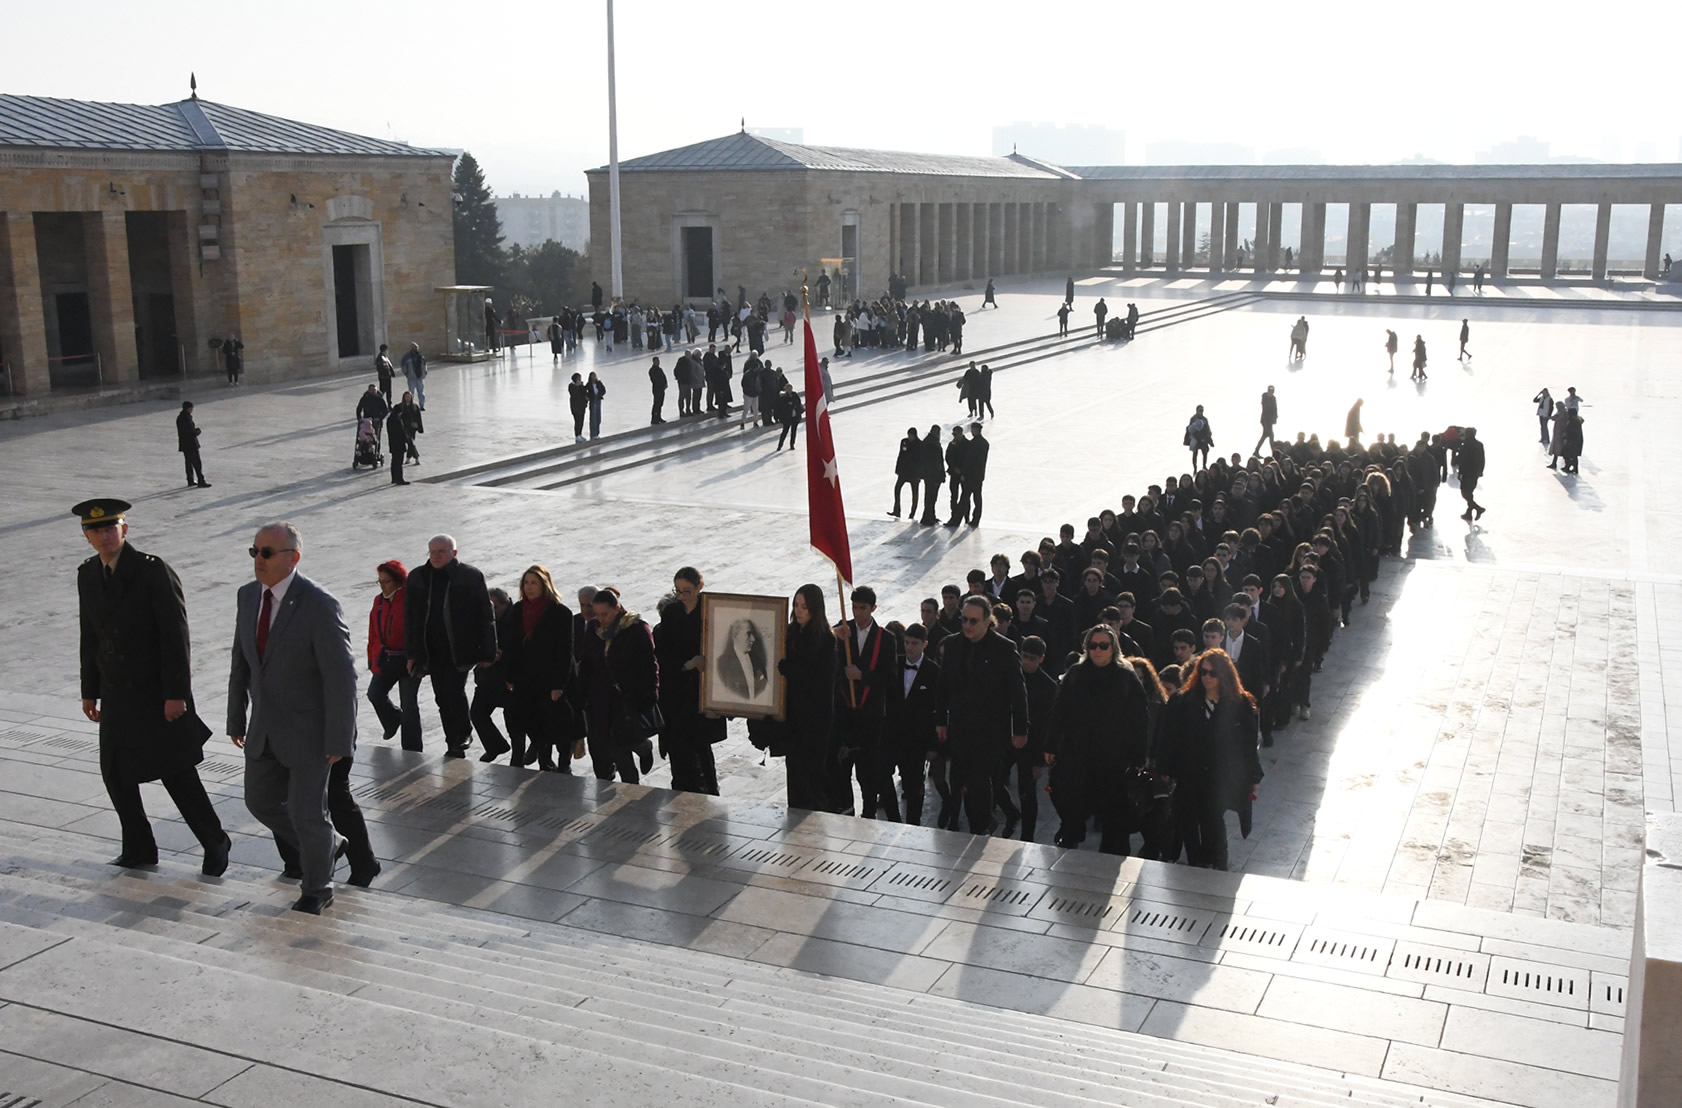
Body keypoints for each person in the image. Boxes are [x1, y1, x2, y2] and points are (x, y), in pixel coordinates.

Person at [74, 498, 228, 876]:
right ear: (87, 536)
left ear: (125, 530)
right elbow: (90, 636)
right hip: (115, 692)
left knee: (176, 772)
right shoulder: (88, 574)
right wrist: (89, 689)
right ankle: (139, 846)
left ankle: (214, 840)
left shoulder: (151, 571)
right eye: (97, 530)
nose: (105, 535)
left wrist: (176, 694)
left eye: (112, 527)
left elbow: (176, 636)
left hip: (154, 692)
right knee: (115, 772)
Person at [227, 520, 362, 912]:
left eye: (267, 553)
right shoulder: (247, 596)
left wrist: (340, 738)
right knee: (259, 802)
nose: (258, 560)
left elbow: (341, 677)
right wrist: (236, 716)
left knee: (308, 814)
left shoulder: (319, 604)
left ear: (293, 558)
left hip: (310, 732)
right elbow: (242, 662)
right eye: (254, 551)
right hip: (264, 730)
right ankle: (330, 845)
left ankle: (317, 889)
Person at [1047, 624, 1152, 854]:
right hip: (1078, 753)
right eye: (1093, 646)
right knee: (1070, 798)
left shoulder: (1126, 677)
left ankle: (1114, 853)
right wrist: (1051, 744)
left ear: (1113, 648)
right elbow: (1060, 710)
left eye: (1103, 646)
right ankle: (1072, 834)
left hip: (1114, 757)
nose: (1098, 650)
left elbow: (1140, 718)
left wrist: (1138, 755)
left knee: (1114, 811)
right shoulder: (1075, 674)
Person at [1154, 648, 1261, 870]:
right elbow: (1168, 736)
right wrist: (1165, 767)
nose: (1207, 677)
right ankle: (1197, 863)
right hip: (1189, 772)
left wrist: (1252, 775)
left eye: (1213, 673)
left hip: (1218, 776)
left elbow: (1248, 745)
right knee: (1187, 820)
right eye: (1203, 672)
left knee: (1213, 820)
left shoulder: (1240, 705)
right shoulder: (1183, 701)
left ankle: (1218, 864)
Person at [934, 596, 1028, 836]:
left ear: (988, 621)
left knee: (979, 781)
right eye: (965, 620)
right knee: (960, 780)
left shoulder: (1005, 649)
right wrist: (940, 721)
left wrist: (1020, 730)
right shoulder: (953, 645)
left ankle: (981, 827)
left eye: (974, 621)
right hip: (960, 728)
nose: (968, 625)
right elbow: (943, 685)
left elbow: (1018, 693)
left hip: (991, 731)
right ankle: (977, 822)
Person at [405, 534, 497, 757]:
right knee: (441, 696)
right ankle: (452, 742)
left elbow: (486, 615)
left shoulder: (469, 576)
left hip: (460, 647)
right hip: (430, 648)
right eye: (432, 552)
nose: (436, 556)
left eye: (441, 552)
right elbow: (410, 618)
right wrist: (411, 653)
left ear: (453, 553)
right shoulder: (418, 577)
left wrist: (488, 651)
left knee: (454, 691)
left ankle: (463, 734)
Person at [653, 567, 724, 795]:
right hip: (676, 687)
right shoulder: (672, 612)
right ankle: (680, 788)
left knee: (701, 745)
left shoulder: (712, 609)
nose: (682, 596)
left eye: (687, 591)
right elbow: (662, 652)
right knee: (677, 743)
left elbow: (725, 646)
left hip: (702, 688)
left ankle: (710, 790)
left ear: (699, 587)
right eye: (678, 591)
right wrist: (686, 664)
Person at [583, 586, 658, 783]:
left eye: (605, 614)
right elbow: (588, 663)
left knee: (622, 742)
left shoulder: (636, 628)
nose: (600, 619)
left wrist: (650, 695)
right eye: (597, 614)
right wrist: (583, 694)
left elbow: (649, 665)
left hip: (628, 697)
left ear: (617, 608)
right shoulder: (593, 629)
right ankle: (631, 784)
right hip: (602, 699)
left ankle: (641, 752)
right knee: (615, 747)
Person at [504, 566, 575, 772]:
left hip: (549, 678)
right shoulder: (517, 610)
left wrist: (558, 684)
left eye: (534, 582)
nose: (529, 587)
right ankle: (519, 759)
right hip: (523, 678)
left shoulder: (560, 612)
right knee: (523, 722)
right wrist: (509, 675)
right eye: (526, 582)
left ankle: (552, 764)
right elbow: (511, 646)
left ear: (545, 585)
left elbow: (564, 651)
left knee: (551, 723)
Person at [886, 622, 941, 826]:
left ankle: (913, 825)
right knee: (883, 776)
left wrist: (934, 745)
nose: (910, 647)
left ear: (924, 644)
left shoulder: (934, 671)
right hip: (892, 735)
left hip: (917, 740)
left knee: (914, 786)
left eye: (915, 643)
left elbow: (937, 710)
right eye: (907, 642)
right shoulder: (895, 664)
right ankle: (893, 819)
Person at [366, 559, 421, 751]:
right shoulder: (379, 601)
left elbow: (419, 630)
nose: (383, 586)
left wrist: (418, 657)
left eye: (387, 581)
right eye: (380, 582)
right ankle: (392, 720)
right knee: (374, 694)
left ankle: (412, 750)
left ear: (398, 581)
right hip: (385, 659)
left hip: (409, 660)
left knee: (409, 706)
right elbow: (373, 632)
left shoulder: (410, 599)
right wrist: (371, 658)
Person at [471, 588, 517, 763]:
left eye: (495, 607)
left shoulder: (514, 621)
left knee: (513, 720)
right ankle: (495, 745)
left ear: (506, 604)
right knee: (476, 713)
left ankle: (518, 756)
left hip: (508, 678)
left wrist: (503, 656)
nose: (492, 612)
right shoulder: (484, 620)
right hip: (487, 677)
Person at [958, 422, 989, 526]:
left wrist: (963, 472)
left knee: (965, 497)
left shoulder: (973, 444)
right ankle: (976, 519)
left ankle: (958, 518)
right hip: (979, 475)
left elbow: (969, 460)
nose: (971, 431)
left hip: (971, 476)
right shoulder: (984, 443)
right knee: (977, 498)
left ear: (975, 430)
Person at [176, 401, 210, 488]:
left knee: (188, 463)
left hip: (184, 444)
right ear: (188, 408)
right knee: (197, 463)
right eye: (191, 408)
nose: (192, 410)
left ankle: (190, 480)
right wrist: (197, 431)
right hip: (191, 444)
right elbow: (190, 432)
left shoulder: (180, 418)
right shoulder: (186, 418)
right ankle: (201, 481)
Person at [889, 427, 921, 519]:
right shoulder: (904, 441)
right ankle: (897, 510)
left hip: (914, 473)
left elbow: (921, 461)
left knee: (914, 494)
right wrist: (897, 469)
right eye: (909, 435)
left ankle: (912, 513)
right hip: (904, 471)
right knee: (897, 489)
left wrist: (920, 474)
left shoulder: (919, 444)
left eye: (911, 435)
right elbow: (900, 455)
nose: (910, 437)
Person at [1457, 427, 1487, 520]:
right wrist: (1481, 471)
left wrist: (1460, 472)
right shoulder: (1479, 444)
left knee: (1465, 493)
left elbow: (1462, 460)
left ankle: (1478, 508)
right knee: (1470, 492)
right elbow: (1482, 459)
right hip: (1475, 472)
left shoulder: (1466, 445)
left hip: (1467, 472)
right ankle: (1469, 512)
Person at [918, 424, 945, 526]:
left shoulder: (928, 441)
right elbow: (937, 461)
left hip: (929, 473)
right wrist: (940, 473)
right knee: (931, 496)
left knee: (930, 495)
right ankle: (927, 517)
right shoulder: (932, 443)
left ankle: (930, 515)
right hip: (933, 474)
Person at [384, 398, 412, 486]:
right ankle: (399, 478)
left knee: (394, 461)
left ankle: (394, 478)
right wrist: (407, 441)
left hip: (392, 443)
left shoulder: (390, 419)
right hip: (399, 444)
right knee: (399, 462)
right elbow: (402, 432)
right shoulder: (397, 420)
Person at [1184, 405, 1213, 469]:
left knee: (1205, 452)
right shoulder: (1193, 419)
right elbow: (1191, 430)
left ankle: (1204, 465)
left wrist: (1210, 440)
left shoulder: (1205, 419)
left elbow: (1207, 430)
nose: (1201, 412)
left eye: (1202, 410)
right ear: (1197, 411)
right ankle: (1195, 467)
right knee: (1195, 453)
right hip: (1196, 438)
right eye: (1200, 410)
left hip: (1203, 438)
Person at [775, 383, 802, 451]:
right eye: (788, 389)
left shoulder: (794, 395)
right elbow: (782, 407)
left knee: (794, 431)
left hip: (795, 416)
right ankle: (780, 445)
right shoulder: (783, 397)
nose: (789, 390)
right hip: (787, 417)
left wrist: (792, 404)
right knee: (785, 431)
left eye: (790, 389)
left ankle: (792, 444)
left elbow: (798, 402)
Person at [400, 343, 426, 410]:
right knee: (411, 392)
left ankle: (422, 405)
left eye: (416, 347)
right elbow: (403, 366)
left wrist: (425, 372)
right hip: (411, 377)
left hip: (420, 377)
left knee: (421, 392)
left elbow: (424, 365)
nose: (416, 349)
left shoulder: (420, 356)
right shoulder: (407, 357)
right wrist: (406, 373)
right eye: (414, 347)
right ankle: (410, 405)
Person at [1254, 386, 1277, 456]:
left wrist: (1275, 417)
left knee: (1266, 436)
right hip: (1265, 420)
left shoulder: (1273, 398)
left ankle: (1257, 451)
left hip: (1270, 420)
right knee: (1270, 436)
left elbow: (1275, 408)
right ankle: (1273, 452)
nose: (1271, 392)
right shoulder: (1265, 397)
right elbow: (1266, 407)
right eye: (1270, 390)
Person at [584, 371, 606, 439]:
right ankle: (593, 434)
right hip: (593, 401)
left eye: (594, 376)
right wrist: (587, 396)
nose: (594, 377)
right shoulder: (589, 384)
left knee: (598, 417)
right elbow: (584, 391)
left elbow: (604, 390)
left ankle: (597, 433)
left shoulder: (599, 383)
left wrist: (600, 395)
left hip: (598, 400)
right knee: (593, 417)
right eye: (592, 376)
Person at [567, 373, 589, 442]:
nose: (580, 380)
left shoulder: (580, 386)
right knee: (577, 421)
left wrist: (581, 386)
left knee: (581, 421)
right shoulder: (571, 386)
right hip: (575, 407)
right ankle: (577, 435)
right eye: (578, 378)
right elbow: (573, 394)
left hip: (581, 406)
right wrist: (578, 386)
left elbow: (584, 393)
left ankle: (580, 434)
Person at [648, 357, 667, 426]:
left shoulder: (659, 369)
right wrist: (661, 385)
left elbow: (663, 377)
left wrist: (665, 383)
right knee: (656, 403)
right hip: (657, 389)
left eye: (658, 361)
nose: (658, 362)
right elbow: (655, 380)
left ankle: (659, 417)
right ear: (653, 362)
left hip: (661, 389)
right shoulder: (652, 370)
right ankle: (654, 418)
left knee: (660, 404)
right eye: (656, 361)